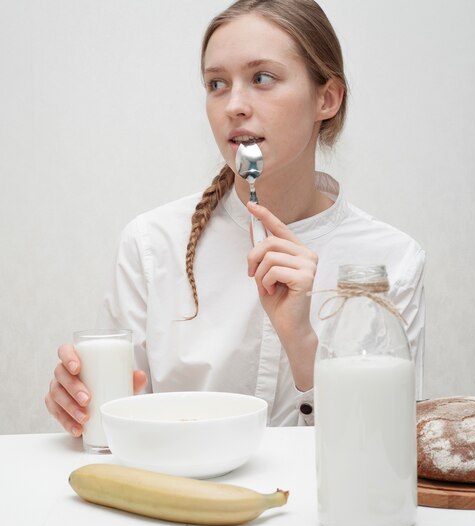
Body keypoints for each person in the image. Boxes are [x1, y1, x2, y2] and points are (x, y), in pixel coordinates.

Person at [44, 0, 425, 433]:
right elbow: (113, 427)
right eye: (217, 84)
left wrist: (303, 343)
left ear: (327, 98)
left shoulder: (393, 261)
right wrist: (81, 407)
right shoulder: (151, 244)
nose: (234, 106)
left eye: (262, 78)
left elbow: (386, 449)